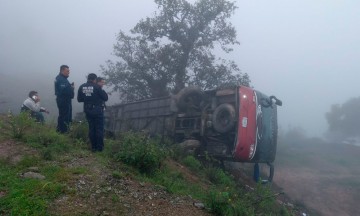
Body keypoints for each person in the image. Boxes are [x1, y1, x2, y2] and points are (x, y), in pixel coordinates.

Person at [77, 73, 108, 152]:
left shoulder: (81, 86)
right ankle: (99, 148)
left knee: (91, 128)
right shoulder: (97, 87)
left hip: (87, 110)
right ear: (95, 79)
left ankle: (93, 147)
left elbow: (79, 99)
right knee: (99, 129)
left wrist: (88, 98)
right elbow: (105, 97)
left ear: (88, 78)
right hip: (97, 110)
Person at [55, 65, 74, 133]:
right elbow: (64, 91)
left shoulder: (63, 78)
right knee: (64, 117)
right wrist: (71, 88)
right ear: (62, 70)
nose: (69, 72)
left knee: (64, 116)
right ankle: (63, 132)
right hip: (63, 100)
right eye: (67, 71)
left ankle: (59, 130)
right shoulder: (61, 79)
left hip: (64, 99)